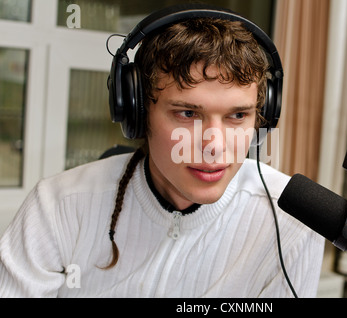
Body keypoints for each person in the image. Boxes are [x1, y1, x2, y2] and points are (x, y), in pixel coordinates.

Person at [0, 5, 324, 297]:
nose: (216, 145)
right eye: (188, 114)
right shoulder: (58, 207)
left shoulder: (293, 222)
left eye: (237, 115)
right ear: (139, 115)